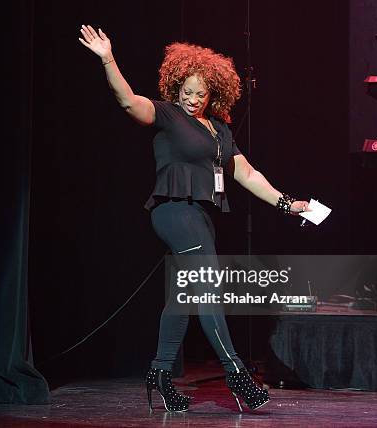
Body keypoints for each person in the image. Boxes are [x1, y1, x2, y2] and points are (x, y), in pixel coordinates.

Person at [78, 24, 309, 413]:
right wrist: (108, 59)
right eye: (187, 92)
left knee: (185, 295)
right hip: (173, 211)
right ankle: (237, 374)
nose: (192, 99)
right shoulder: (167, 114)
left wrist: (287, 203)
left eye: (201, 94)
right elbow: (129, 102)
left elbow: (248, 175)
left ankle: (160, 373)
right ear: (176, 86)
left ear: (213, 94)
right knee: (207, 287)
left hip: (201, 217)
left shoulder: (219, 130)